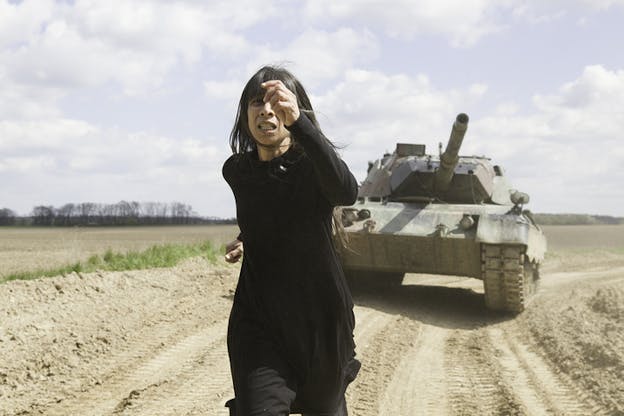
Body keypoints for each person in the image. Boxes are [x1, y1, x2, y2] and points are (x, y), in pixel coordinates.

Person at [222, 65, 361, 416]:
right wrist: (246, 238)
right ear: (245, 115)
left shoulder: (313, 168)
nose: (267, 110)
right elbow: (269, 209)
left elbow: (346, 191)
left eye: (278, 102)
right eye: (257, 102)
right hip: (259, 323)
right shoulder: (237, 172)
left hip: (321, 323)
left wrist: (301, 124)